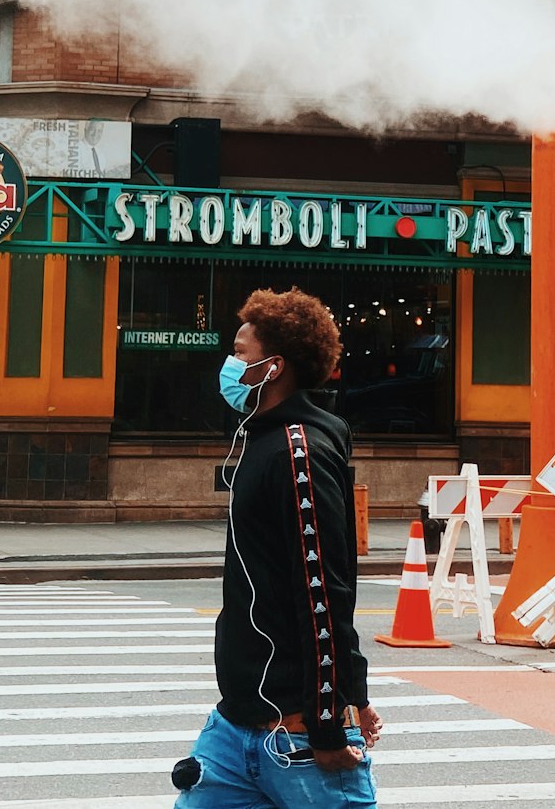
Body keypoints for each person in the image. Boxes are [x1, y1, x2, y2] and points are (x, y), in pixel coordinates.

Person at [172, 287, 381, 809]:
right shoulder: (263, 441)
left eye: (241, 354)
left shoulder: (298, 450)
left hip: (295, 735)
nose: (230, 364)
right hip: (236, 725)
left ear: (274, 366)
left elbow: (324, 592)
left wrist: (332, 721)